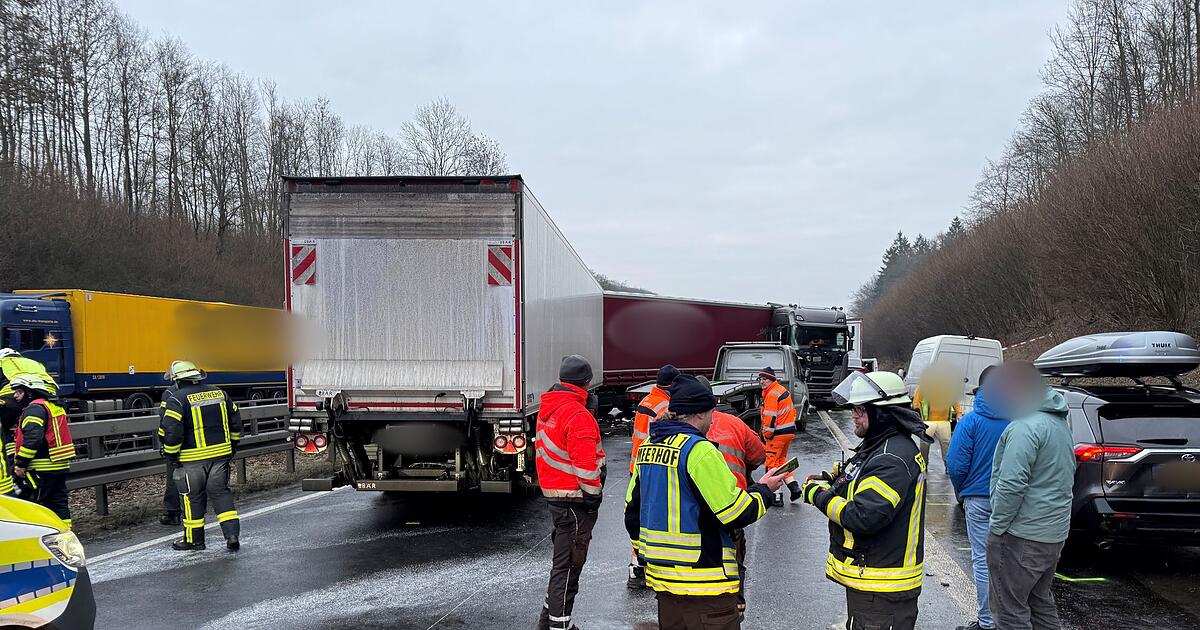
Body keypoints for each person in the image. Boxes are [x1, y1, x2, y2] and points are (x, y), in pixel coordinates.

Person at [625, 374, 786, 630]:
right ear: (699, 414)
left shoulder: (647, 447)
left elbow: (631, 513)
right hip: (705, 585)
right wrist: (764, 491)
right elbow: (734, 513)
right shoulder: (699, 450)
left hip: (664, 586)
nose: (712, 420)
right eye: (711, 413)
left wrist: (649, 556)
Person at [800, 371, 931, 630]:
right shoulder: (882, 445)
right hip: (873, 583)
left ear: (881, 413)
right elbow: (862, 478)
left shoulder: (890, 457)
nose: (853, 416)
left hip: (881, 587)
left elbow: (863, 516)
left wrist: (817, 495)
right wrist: (836, 479)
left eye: (860, 410)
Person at [987, 361, 1074, 630]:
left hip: (1021, 537)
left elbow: (1011, 484)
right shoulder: (1058, 424)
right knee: (1040, 602)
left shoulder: (1025, 427)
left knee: (1009, 610)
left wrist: (997, 528)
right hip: (1051, 536)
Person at [535, 355, 606, 630]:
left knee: (562, 564)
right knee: (568, 567)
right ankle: (559, 626)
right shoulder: (578, 415)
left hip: (557, 496)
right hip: (575, 500)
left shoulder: (550, 408)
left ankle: (549, 622)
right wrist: (594, 495)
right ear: (586, 383)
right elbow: (585, 464)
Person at [699, 376, 766, 619]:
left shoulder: (675, 429)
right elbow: (759, 455)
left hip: (692, 510)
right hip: (732, 504)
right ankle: (735, 606)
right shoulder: (735, 424)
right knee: (733, 558)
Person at [946, 366, 1007, 630]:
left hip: (978, 499)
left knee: (982, 560)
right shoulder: (1017, 419)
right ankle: (1008, 619)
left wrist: (962, 491)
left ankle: (986, 622)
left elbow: (956, 465)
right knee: (1008, 561)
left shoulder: (970, 421)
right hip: (1010, 500)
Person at [159, 360, 242, 551]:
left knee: (191, 499)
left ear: (177, 381)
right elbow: (236, 422)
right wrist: (232, 446)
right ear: (197, 378)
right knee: (221, 494)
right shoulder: (220, 393)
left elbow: (171, 430)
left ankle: (194, 541)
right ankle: (231, 536)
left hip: (191, 460)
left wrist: (171, 455)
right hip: (221, 456)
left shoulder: (177, 399)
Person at [628, 364, 677, 589]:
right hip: (651, 466)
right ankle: (645, 566)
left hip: (637, 466)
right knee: (652, 520)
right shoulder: (665, 405)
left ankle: (636, 566)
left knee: (637, 517)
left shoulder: (647, 401)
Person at [9, 374, 76, 524]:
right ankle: (65, 533)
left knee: (38, 503)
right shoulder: (52, 406)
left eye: (19, 392)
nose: (15, 396)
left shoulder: (34, 409)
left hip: (42, 467)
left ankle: (42, 538)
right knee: (59, 503)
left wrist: (21, 464)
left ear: (30, 392)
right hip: (59, 464)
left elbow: (33, 439)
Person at [758, 367, 801, 504]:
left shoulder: (771, 395)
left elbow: (770, 417)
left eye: (765, 379)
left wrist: (767, 434)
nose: (762, 381)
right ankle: (794, 488)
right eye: (760, 379)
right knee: (781, 461)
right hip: (787, 432)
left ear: (772, 380)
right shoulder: (781, 391)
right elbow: (791, 411)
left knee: (771, 465)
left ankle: (777, 496)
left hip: (776, 435)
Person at [911, 364, 963, 466]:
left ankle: (948, 465)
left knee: (946, 444)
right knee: (924, 444)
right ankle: (924, 464)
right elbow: (916, 403)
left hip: (944, 421)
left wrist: (959, 413)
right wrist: (917, 417)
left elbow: (955, 402)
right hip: (928, 421)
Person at [157, 383, 182, 526]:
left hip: (176, 443)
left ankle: (173, 513)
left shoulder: (170, 393)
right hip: (199, 445)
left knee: (174, 477)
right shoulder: (202, 391)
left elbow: (165, 421)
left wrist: (164, 443)